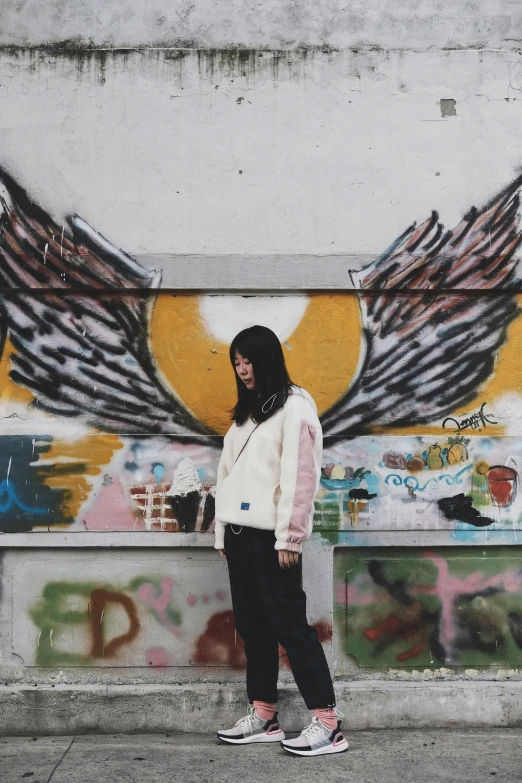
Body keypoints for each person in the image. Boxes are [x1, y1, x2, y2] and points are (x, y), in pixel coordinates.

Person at [214, 325, 348, 756]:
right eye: (236, 363)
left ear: (266, 358)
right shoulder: (246, 414)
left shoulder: (295, 408)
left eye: (247, 361)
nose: (242, 370)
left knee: (290, 625)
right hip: (238, 534)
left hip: (273, 539)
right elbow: (226, 476)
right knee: (253, 627)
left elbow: (300, 478)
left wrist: (291, 536)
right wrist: (221, 531)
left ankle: (328, 723)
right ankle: (264, 715)